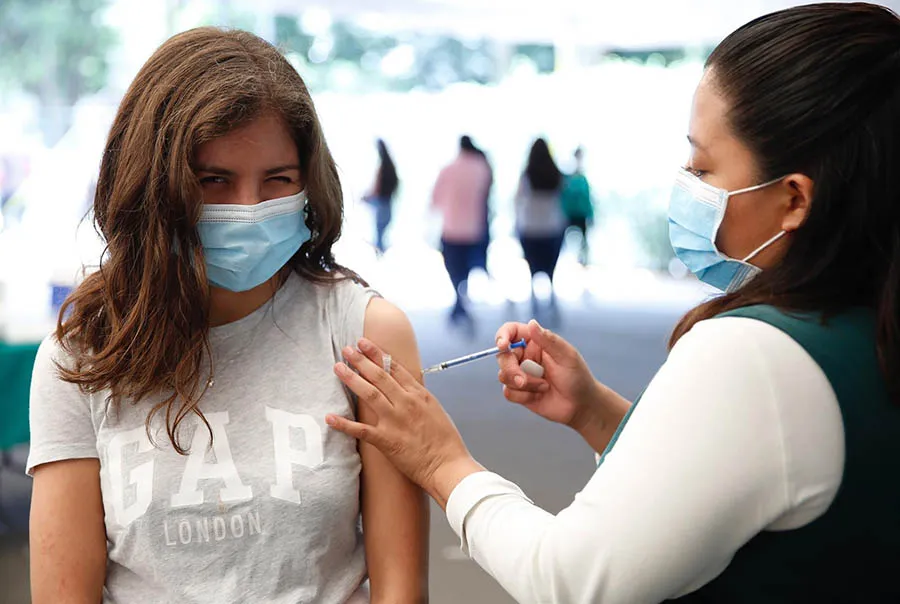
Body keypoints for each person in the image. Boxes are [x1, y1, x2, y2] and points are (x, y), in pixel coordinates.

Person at [324, 4, 900, 603]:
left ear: (794, 199)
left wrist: (441, 460)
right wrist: (598, 413)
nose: (686, 180)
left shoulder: (757, 353)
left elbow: (571, 580)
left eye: (704, 165)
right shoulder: (865, 324)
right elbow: (750, 474)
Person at [26, 28, 428, 604]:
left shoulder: (363, 334)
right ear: (151, 184)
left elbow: (402, 591)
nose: (249, 209)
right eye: (213, 181)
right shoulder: (81, 358)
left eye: (278, 180)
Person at [431, 135, 493, 333]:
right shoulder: (482, 168)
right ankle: (460, 303)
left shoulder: (448, 169)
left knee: (454, 269)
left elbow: (435, 200)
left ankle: (459, 303)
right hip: (474, 228)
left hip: (451, 227)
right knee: (465, 269)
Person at [515, 138, 566, 323]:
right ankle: (552, 303)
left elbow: (517, 200)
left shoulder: (527, 175)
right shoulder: (556, 175)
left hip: (530, 228)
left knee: (532, 269)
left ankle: (535, 306)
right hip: (552, 227)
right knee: (550, 269)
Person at [365, 139, 399, 255]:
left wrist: (366, 197)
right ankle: (381, 254)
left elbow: (376, 189)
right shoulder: (391, 167)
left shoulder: (382, 168)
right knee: (381, 234)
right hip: (388, 203)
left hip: (381, 204)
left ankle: (379, 256)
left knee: (379, 234)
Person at [560, 146, 594, 265]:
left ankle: (583, 260)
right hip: (569, 213)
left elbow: (587, 198)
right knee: (562, 239)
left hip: (581, 213)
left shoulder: (582, 176)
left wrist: (590, 214)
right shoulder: (569, 175)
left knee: (584, 241)